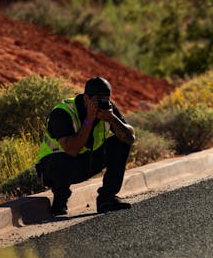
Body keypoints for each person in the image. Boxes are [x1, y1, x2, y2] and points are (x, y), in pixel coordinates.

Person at [35, 76, 137, 215]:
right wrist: (89, 119)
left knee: (121, 142)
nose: (102, 103)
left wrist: (112, 118)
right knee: (60, 160)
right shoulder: (63, 112)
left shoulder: (108, 108)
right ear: (86, 99)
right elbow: (71, 150)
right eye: (97, 100)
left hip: (85, 162)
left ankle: (107, 199)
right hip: (51, 169)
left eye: (105, 99)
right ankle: (59, 202)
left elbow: (130, 138)